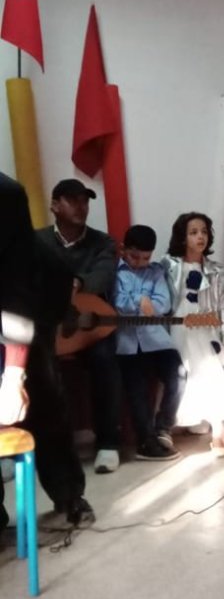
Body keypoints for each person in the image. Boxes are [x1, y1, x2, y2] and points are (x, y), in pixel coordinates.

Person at [1, 173, 93, 531]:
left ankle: (69, 495)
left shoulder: (6, 196)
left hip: (32, 306)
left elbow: (17, 296)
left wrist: (13, 375)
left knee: (43, 405)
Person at [36, 179, 122, 473]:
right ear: (54, 205)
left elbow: (104, 275)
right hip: (50, 329)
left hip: (89, 327)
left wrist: (78, 282)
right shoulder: (36, 242)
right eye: (72, 200)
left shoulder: (103, 242)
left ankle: (108, 443)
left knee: (105, 359)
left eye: (84, 200)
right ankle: (45, 447)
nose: (81, 206)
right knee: (35, 367)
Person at [162, 212, 224, 457]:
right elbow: (166, 302)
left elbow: (221, 304)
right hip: (182, 326)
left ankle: (218, 433)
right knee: (200, 373)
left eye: (204, 232)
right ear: (182, 237)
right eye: (193, 232)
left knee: (215, 373)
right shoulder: (171, 265)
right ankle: (219, 432)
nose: (200, 237)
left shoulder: (215, 270)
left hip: (208, 326)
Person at [113, 224, 183, 462]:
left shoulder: (156, 272)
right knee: (138, 390)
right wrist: (141, 300)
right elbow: (118, 304)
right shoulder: (115, 273)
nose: (140, 263)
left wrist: (143, 303)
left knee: (178, 375)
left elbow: (163, 304)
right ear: (123, 249)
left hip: (157, 340)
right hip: (127, 343)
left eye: (146, 258)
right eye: (134, 257)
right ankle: (146, 441)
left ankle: (163, 427)